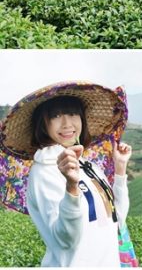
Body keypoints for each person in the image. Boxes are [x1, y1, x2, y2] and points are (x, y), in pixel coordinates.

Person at [0, 81, 134, 267]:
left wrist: (120, 169)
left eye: (72, 114)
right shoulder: (45, 171)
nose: (67, 124)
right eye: (55, 116)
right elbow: (65, 239)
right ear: (43, 124)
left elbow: (116, 219)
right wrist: (71, 187)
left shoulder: (89, 166)